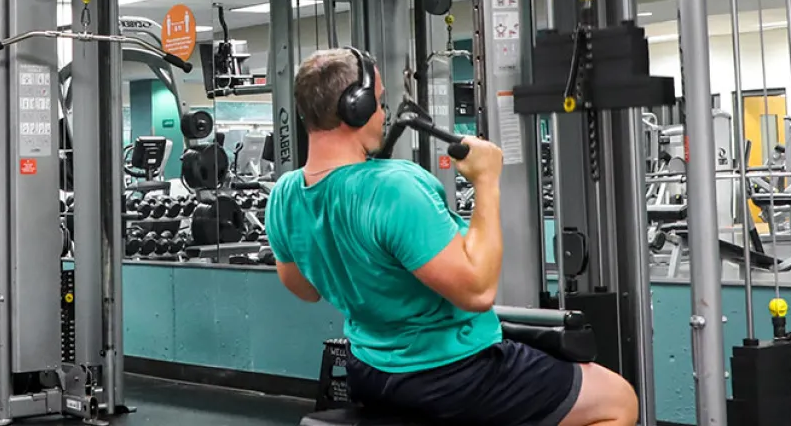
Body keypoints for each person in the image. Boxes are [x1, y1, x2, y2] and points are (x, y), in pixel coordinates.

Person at [265, 48, 638, 426]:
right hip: (451, 374)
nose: (382, 114)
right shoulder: (393, 187)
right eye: (378, 102)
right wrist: (487, 180)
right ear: (355, 108)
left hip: (371, 373)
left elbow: (304, 289)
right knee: (617, 400)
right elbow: (477, 292)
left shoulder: (285, 194)